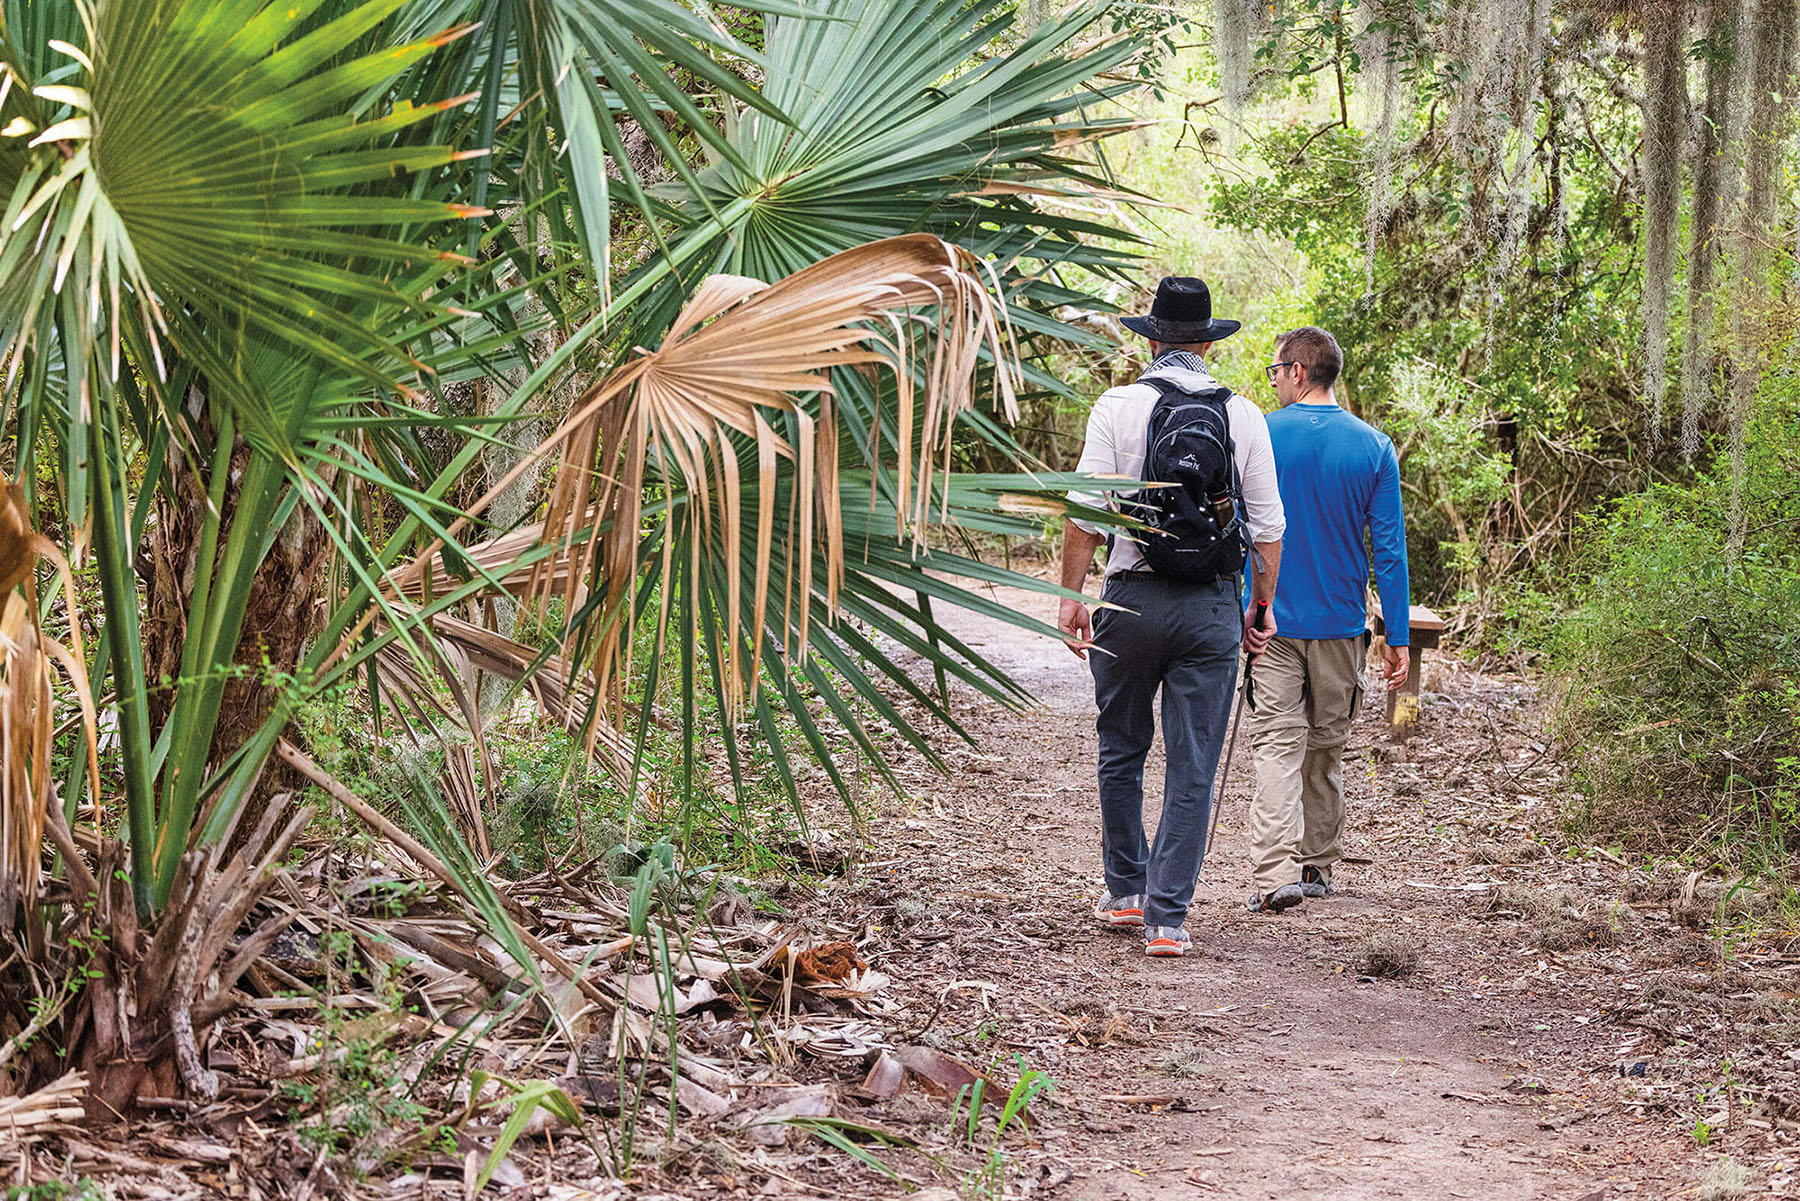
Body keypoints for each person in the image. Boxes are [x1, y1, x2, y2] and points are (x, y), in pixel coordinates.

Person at [1056, 276, 1285, 958]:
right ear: (1206, 345)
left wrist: (1071, 597)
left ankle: (1125, 890)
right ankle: (1167, 918)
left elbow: (1084, 510)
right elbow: (1269, 527)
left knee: (1121, 746)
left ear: (1152, 338)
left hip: (1128, 594)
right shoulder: (1241, 414)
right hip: (1208, 606)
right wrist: (1259, 606)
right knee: (1194, 760)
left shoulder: (1117, 405)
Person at [1243, 326, 1410, 914]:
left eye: (1274, 370)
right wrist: (1398, 637)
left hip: (1269, 617)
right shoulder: (1374, 446)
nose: (1272, 381)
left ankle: (1274, 873)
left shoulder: (1258, 433)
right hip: (1342, 622)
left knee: (1274, 744)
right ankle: (1316, 866)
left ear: (1297, 371)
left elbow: (1234, 525)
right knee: (1326, 746)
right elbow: (1389, 551)